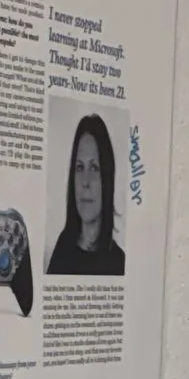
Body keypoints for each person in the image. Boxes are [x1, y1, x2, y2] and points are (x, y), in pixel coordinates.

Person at [45, 113, 123, 276]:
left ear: (107, 179)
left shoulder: (119, 263)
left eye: (94, 168)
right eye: (80, 167)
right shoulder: (63, 246)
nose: (85, 181)